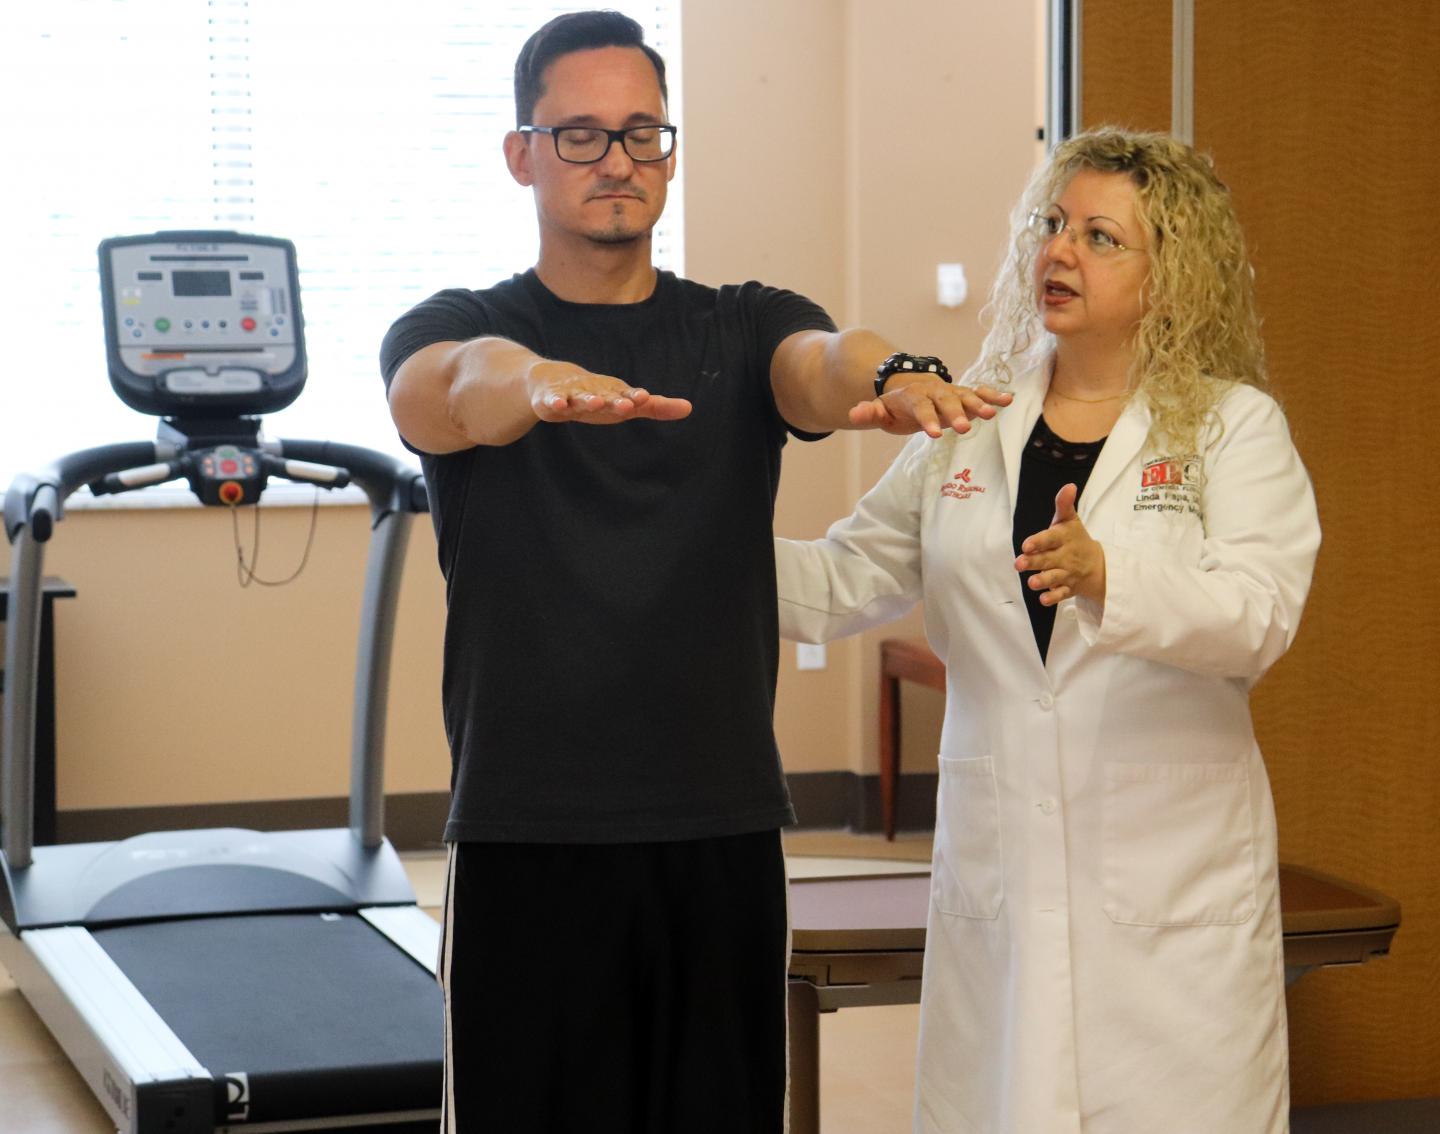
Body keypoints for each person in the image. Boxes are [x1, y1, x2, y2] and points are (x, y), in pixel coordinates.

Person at [379, 11, 1008, 1132]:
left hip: (720, 825)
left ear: (669, 153)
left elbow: (823, 362)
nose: (616, 159)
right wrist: (533, 385)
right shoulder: (460, 325)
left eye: (642, 133)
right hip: (529, 829)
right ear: (522, 154)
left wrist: (894, 371)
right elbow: (451, 386)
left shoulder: (741, 326)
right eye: (579, 135)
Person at [775, 127, 1320, 1133]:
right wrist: (691, 548)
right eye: (1053, 225)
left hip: (1170, 893)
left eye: (1101, 237)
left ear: (1172, 274)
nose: (1061, 251)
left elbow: (1260, 615)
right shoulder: (968, 425)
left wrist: (1111, 576)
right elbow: (841, 579)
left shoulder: (1233, 428)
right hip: (1006, 878)